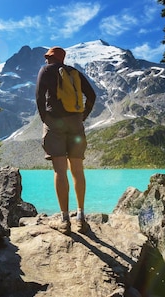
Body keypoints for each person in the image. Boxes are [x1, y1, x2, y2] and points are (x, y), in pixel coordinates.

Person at [35, 46, 96, 234]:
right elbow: (92, 95)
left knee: (60, 170)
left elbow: (38, 96)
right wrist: (82, 116)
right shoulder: (74, 72)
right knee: (77, 170)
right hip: (76, 124)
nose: (45, 60)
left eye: (48, 57)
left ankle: (64, 220)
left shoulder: (45, 70)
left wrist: (45, 119)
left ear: (52, 58)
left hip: (55, 125)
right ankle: (81, 217)